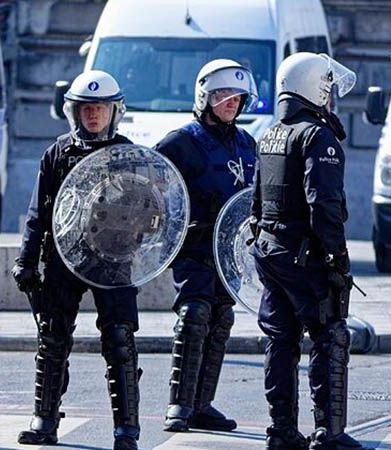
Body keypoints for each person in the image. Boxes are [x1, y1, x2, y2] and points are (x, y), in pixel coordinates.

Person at [11, 70, 142, 450]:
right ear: (75, 112)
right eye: (87, 109)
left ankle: (126, 429)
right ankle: (45, 421)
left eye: (100, 108)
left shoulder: (128, 155)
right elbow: (39, 212)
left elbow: (147, 211)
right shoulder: (56, 153)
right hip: (63, 259)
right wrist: (26, 259)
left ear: (113, 111)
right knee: (52, 338)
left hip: (113, 262)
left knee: (120, 340)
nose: (93, 116)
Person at [249, 52, 362, 450]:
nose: (330, 97)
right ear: (314, 88)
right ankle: (328, 432)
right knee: (329, 336)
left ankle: (281, 430)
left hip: (271, 251)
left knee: (280, 341)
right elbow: (324, 205)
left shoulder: (271, 133)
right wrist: (337, 259)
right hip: (305, 255)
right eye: (328, 89)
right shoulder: (316, 136)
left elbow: (257, 201)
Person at [155, 59, 257, 433]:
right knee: (194, 314)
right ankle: (178, 406)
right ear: (205, 97)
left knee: (220, 319)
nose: (231, 102)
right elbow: (149, 184)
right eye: (223, 95)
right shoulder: (181, 142)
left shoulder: (247, 143)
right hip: (194, 246)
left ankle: (202, 404)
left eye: (237, 96)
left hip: (230, 253)